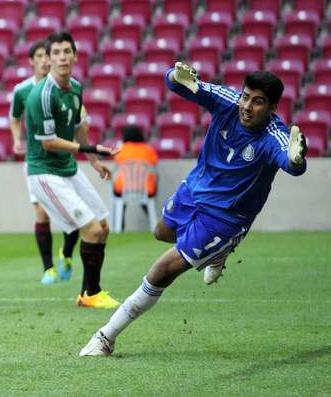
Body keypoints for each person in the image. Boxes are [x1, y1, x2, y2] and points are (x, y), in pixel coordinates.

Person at [79, 63, 308, 357]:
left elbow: (292, 163)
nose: (248, 107)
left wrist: (297, 160)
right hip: (195, 188)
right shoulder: (227, 101)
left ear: (273, 107)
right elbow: (176, 84)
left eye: (258, 101)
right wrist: (176, 77)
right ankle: (216, 253)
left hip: (225, 217)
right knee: (161, 232)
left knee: (161, 271)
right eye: (246, 97)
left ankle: (105, 337)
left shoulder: (273, 135)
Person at [24, 31, 120, 309]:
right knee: (90, 229)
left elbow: (79, 129)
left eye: (67, 51)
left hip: (68, 168)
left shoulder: (75, 88)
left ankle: (87, 294)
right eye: (56, 53)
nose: (62, 57)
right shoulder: (41, 95)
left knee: (102, 226)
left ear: (75, 56)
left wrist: (94, 162)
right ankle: (92, 294)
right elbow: (50, 143)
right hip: (44, 173)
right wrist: (93, 150)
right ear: (49, 59)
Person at [9, 40, 80, 285]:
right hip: (36, 162)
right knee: (41, 214)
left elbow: (78, 118)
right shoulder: (22, 91)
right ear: (32, 61)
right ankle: (48, 268)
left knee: (75, 215)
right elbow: (14, 118)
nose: (44, 60)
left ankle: (67, 253)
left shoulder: (65, 87)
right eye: (39, 56)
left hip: (62, 161)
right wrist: (17, 139)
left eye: (46, 55)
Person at [112, 125, 159, 231]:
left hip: (123, 189)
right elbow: (154, 165)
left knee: (121, 204)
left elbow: (116, 161)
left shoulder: (121, 149)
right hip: (146, 189)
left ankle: (120, 227)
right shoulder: (148, 150)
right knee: (148, 204)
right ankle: (154, 225)